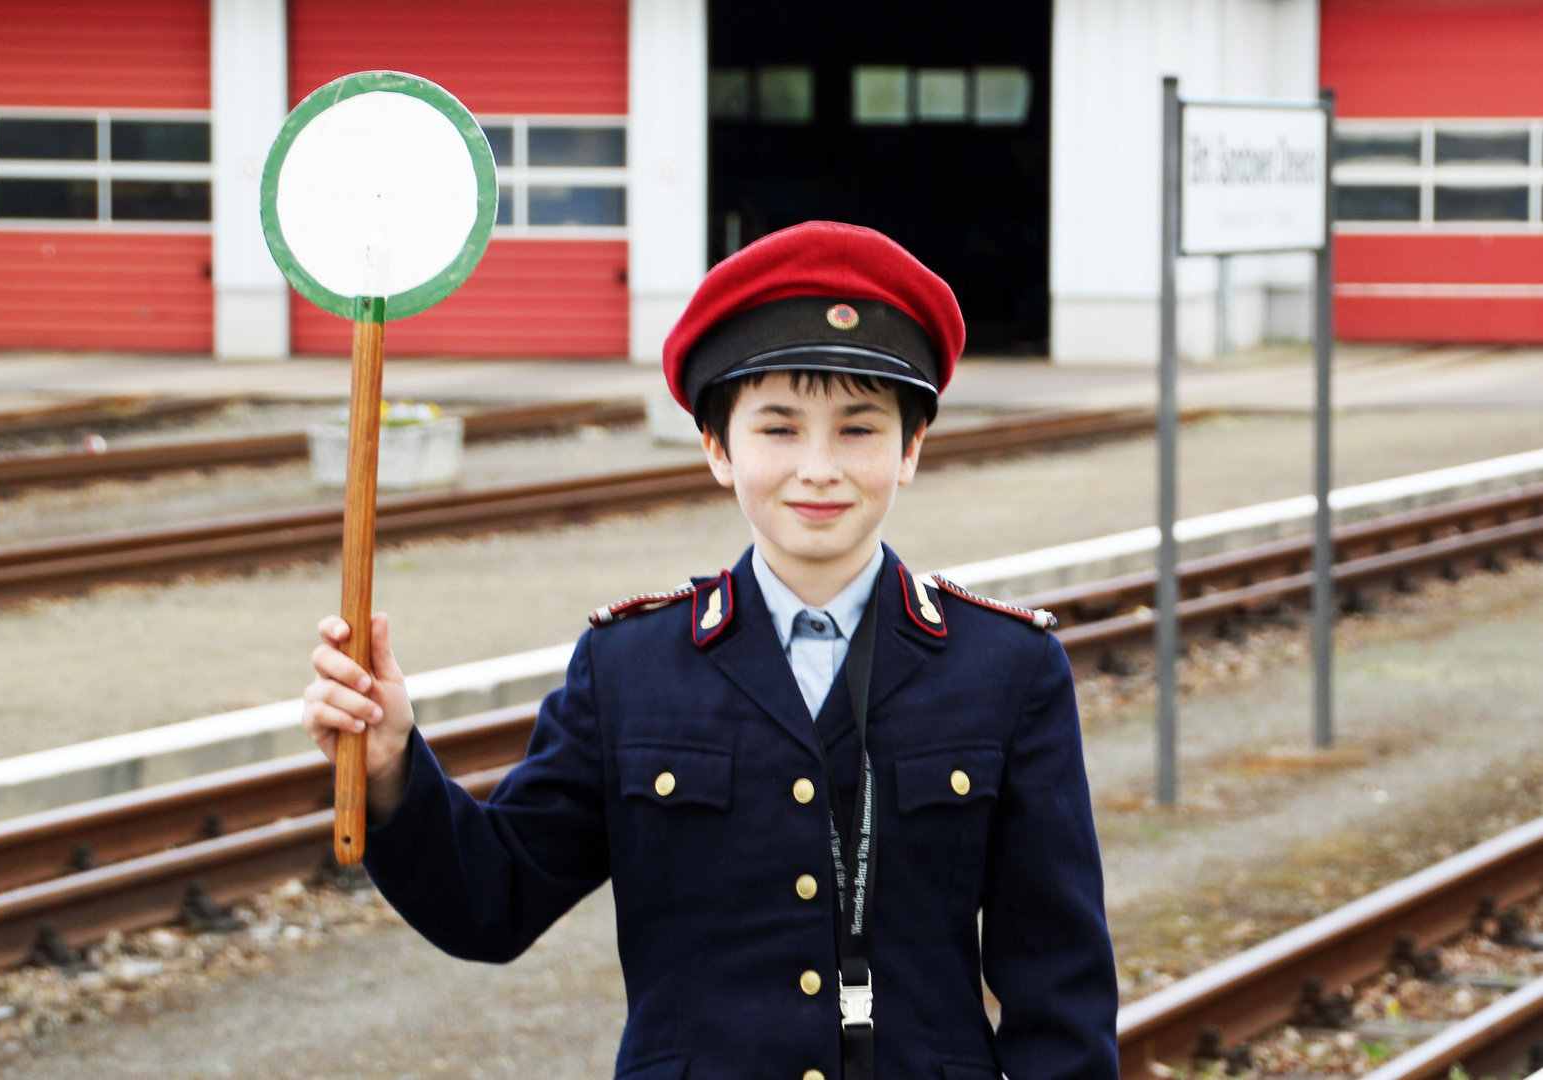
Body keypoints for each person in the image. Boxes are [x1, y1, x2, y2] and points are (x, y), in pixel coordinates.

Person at [303, 221, 1118, 1080]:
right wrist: (392, 762)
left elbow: (1058, 989)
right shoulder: (630, 668)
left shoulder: (1007, 669)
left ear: (911, 448)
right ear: (717, 448)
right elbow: (491, 900)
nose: (818, 468)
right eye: (778, 428)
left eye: (858, 429)